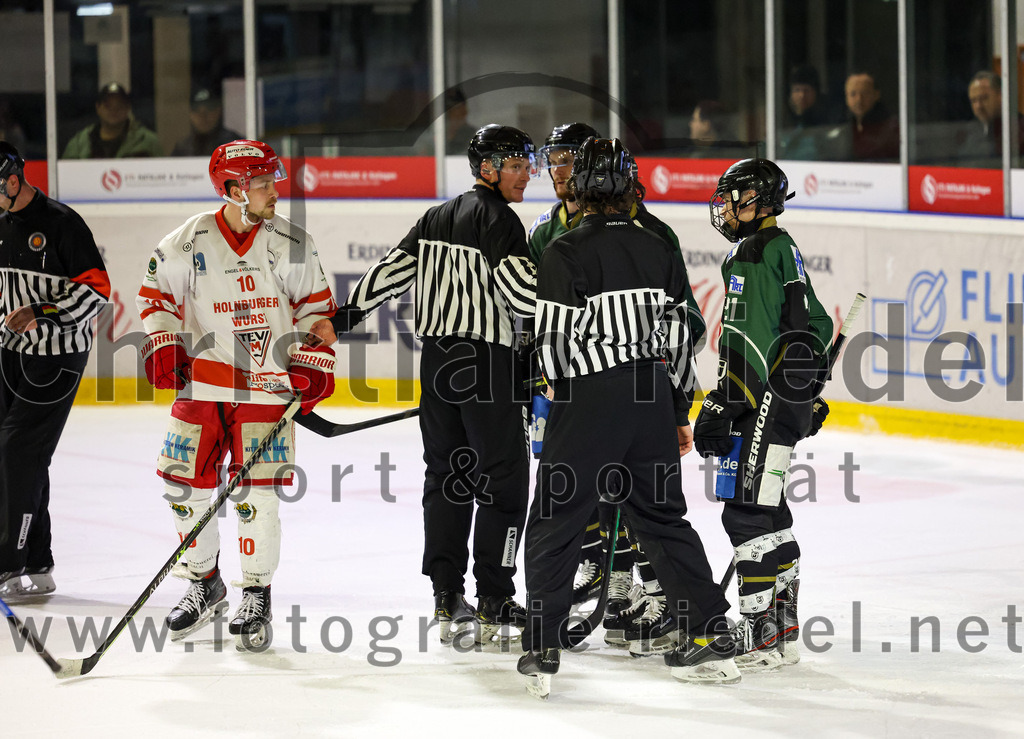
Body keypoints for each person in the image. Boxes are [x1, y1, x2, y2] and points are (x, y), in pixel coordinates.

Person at [517, 137, 738, 699]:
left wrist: (566, 400)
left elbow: (553, 347)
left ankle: (543, 643)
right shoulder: (658, 247)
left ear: (584, 189)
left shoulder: (565, 251)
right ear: (629, 186)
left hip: (589, 398)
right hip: (649, 399)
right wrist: (676, 410)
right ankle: (711, 628)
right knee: (663, 517)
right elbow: (683, 338)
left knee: (556, 516)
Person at [305, 124, 538, 648]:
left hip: (436, 366)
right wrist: (576, 314)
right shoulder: (501, 220)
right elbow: (523, 296)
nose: (529, 175)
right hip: (485, 364)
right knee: (504, 480)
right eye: (518, 165)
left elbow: (391, 270)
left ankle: (446, 593)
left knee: (448, 476)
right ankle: (496, 594)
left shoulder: (435, 217)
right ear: (488, 168)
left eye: (529, 165)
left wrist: (342, 319)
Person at [136, 139, 337, 649]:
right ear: (232, 190)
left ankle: (256, 591)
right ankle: (204, 583)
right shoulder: (190, 239)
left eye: (273, 181)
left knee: (257, 496)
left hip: (266, 390)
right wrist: (161, 339)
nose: (275, 192)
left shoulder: (291, 243)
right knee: (181, 483)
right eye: (263, 184)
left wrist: (313, 363)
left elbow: (318, 313)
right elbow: (155, 294)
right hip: (203, 384)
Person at [692, 158, 833, 671]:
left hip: (762, 402)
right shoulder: (785, 247)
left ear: (755, 200)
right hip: (786, 400)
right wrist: (807, 391)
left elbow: (747, 344)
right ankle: (782, 633)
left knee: (746, 513)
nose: (724, 207)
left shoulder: (752, 253)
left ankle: (755, 634)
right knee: (772, 514)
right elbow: (814, 324)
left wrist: (719, 403)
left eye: (731, 197)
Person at [0, 141, 111, 598]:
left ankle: (8, 562)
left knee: (18, 450)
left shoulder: (63, 224)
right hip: (9, 353)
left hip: (57, 356)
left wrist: (42, 311)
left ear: (11, 180)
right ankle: (38, 562)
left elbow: (99, 292)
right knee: (18, 453)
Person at [62, 82, 163, 159]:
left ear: (128, 108)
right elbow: (65, 177)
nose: (114, 110)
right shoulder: (79, 143)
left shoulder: (147, 141)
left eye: (120, 105)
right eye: (108, 106)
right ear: (98, 108)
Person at [959, 70, 1024, 167]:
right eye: (973, 100)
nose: (978, 106)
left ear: (1001, 96)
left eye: (984, 98)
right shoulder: (971, 130)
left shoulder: (1020, 128)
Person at [837, 71, 899, 162]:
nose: (859, 99)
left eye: (865, 93)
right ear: (846, 98)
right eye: (853, 94)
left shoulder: (891, 127)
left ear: (876, 95)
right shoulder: (841, 126)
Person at [778, 65, 832, 161]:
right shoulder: (781, 121)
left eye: (806, 90)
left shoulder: (826, 121)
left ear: (816, 93)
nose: (802, 95)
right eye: (797, 90)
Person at [171, 89, 243, 157]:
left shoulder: (234, 144)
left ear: (218, 111)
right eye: (197, 110)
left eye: (209, 108)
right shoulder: (182, 149)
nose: (203, 116)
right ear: (190, 114)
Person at [444, 86, 479, 155]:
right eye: (449, 108)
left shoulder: (472, 136)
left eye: (457, 108)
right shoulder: (434, 134)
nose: (451, 112)